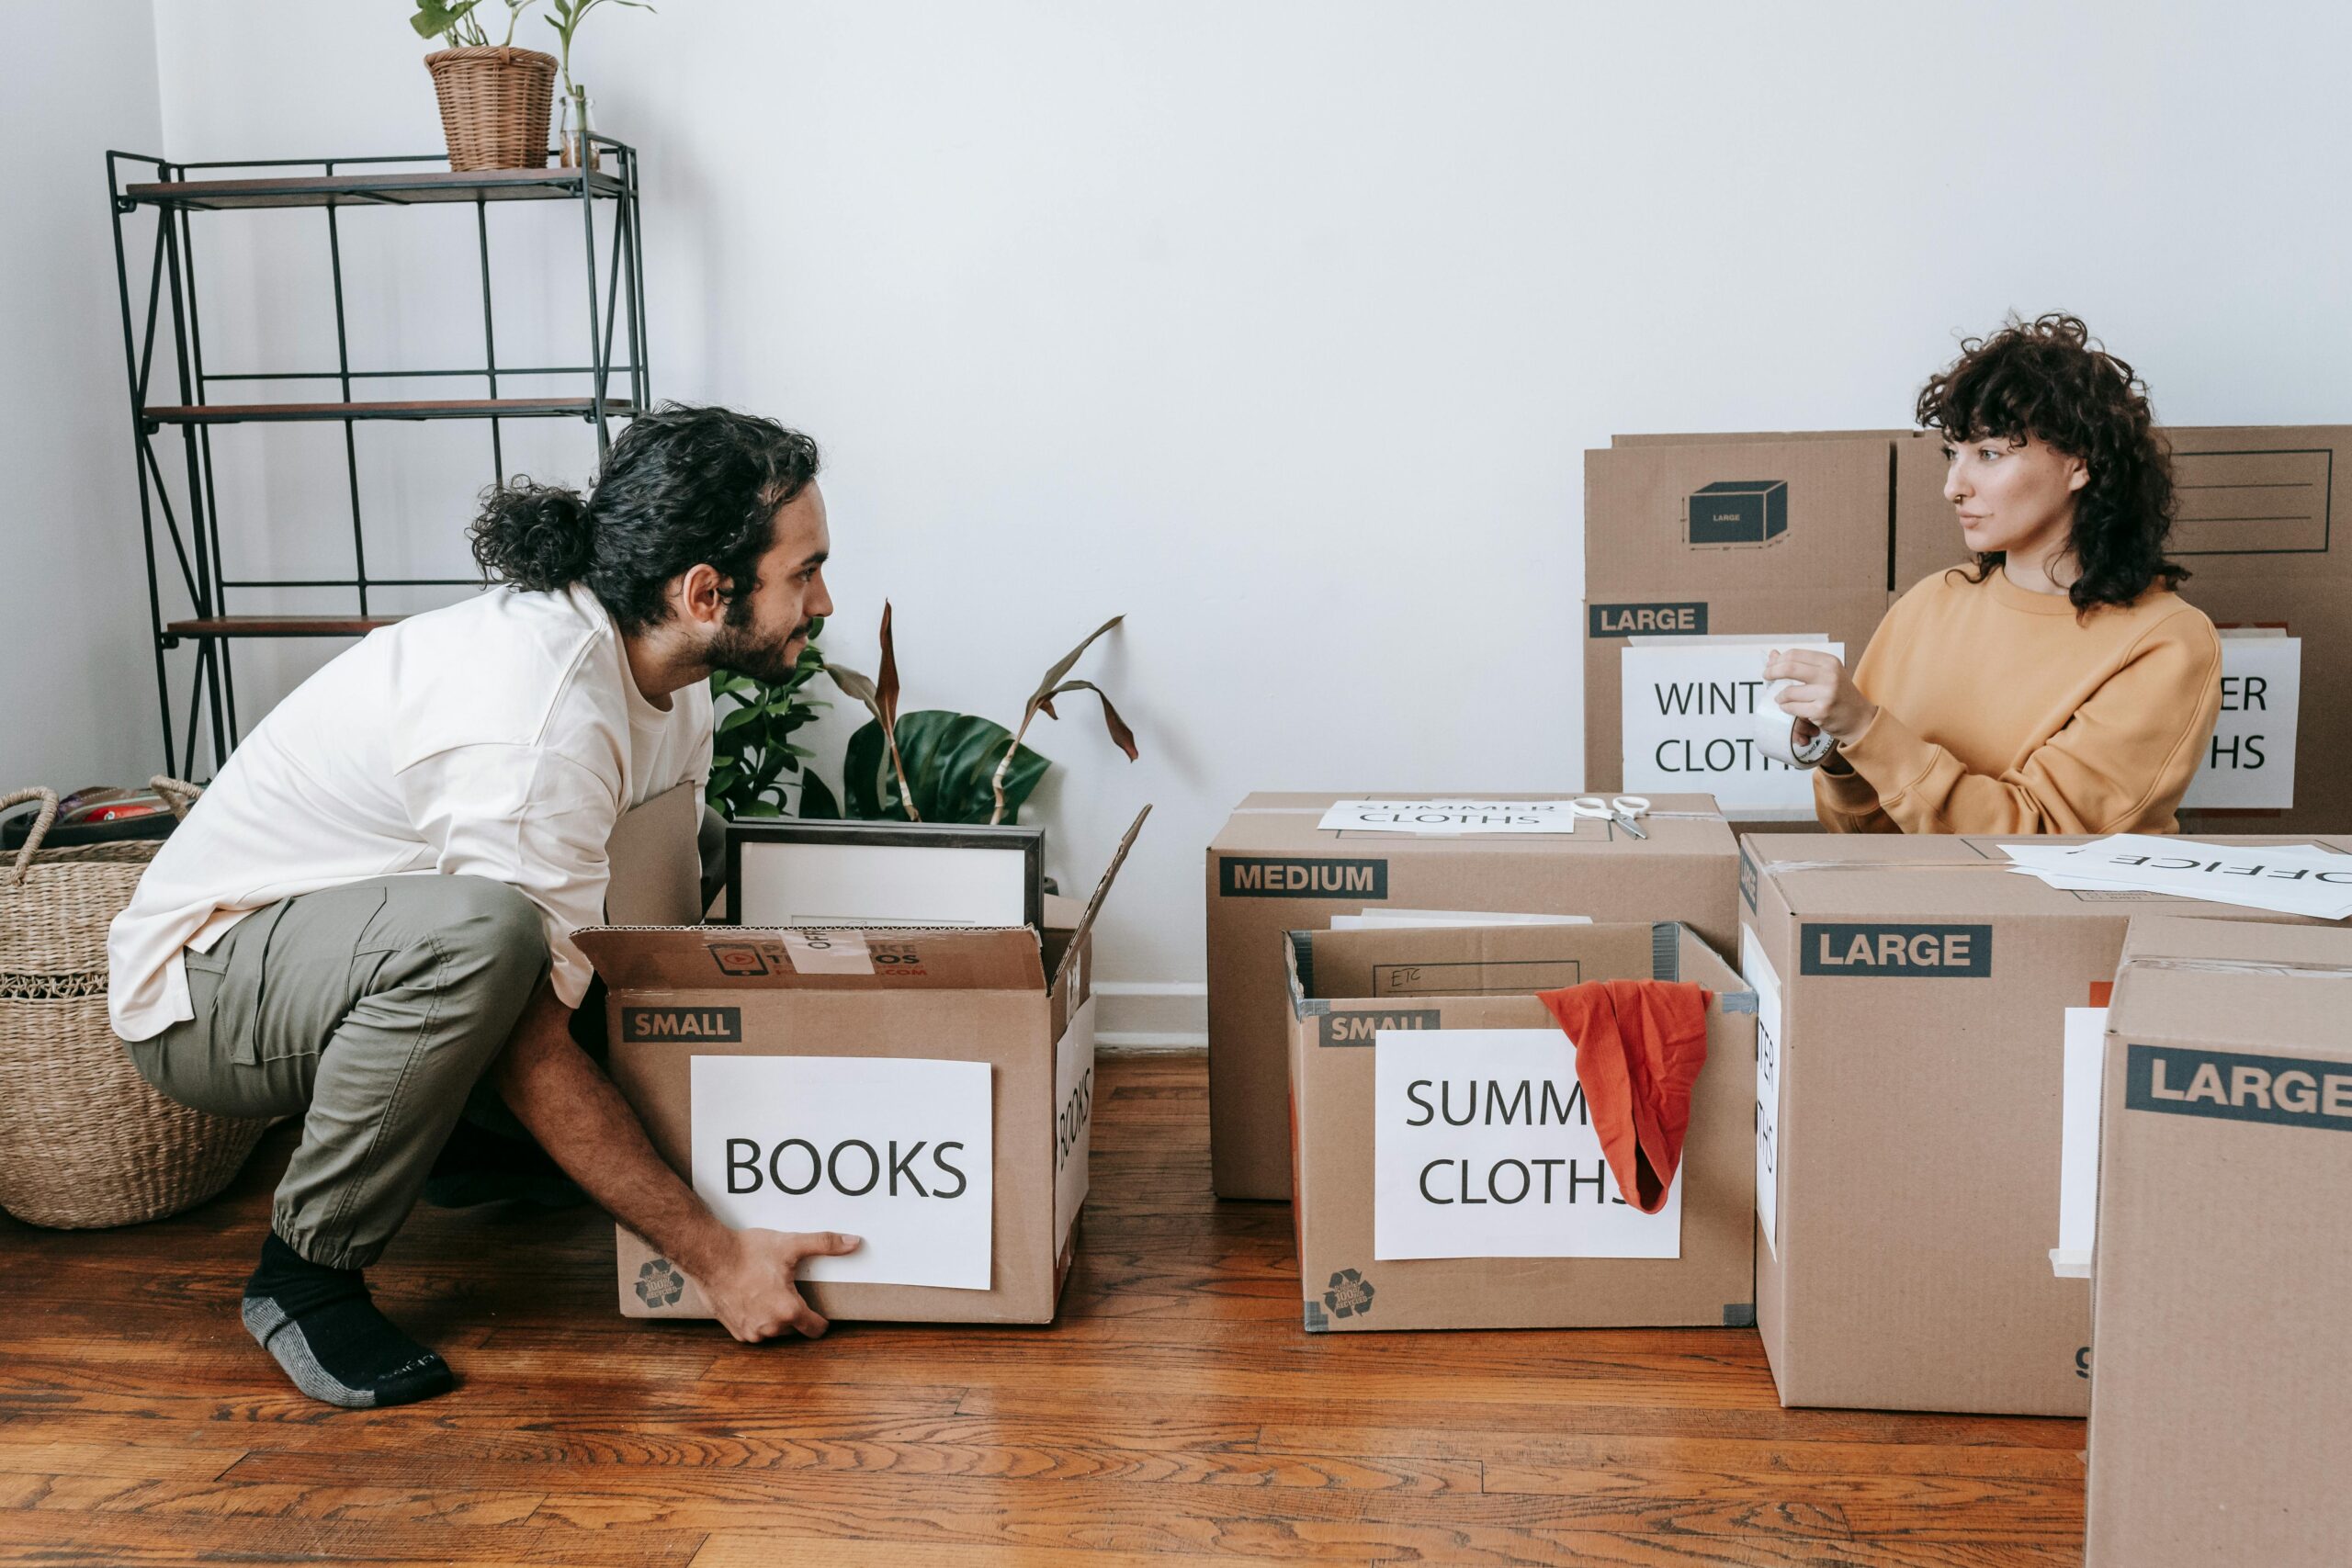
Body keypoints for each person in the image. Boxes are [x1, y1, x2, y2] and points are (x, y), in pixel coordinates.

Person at [107, 405, 861, 1410]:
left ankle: (468, 1146)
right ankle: (304, 1275)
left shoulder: (671, 673)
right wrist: (715, 1258)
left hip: (355, 937)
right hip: (206, 987)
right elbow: (529, 1039)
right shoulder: (542, 726)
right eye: (804, 573)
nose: (824, 601)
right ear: (703, 592)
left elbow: (650, 913)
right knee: (487, 939)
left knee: (700, 845)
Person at [1768, 314, 2222, 834]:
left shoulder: (2166, 643)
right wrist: (1839, 751)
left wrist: (1867, 730)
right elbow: (1857, 832)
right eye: (1952, 454)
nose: (1953, 487)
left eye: (1988, 454)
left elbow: (2047, 839)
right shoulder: (1930, 602)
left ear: (2080, 464)